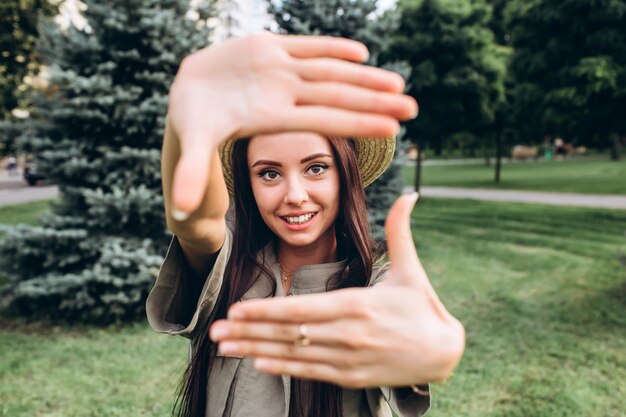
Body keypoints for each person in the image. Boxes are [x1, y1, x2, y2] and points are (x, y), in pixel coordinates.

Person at [146, 33, 464, 417]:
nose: (294, 195)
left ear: (344, 174)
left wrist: (429, 347)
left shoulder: (372, 289)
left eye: (316, 168)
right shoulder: (227, 271)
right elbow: (196, 219)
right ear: (248, 185)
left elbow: (409, 335)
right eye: (269, 174)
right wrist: (187, 117)